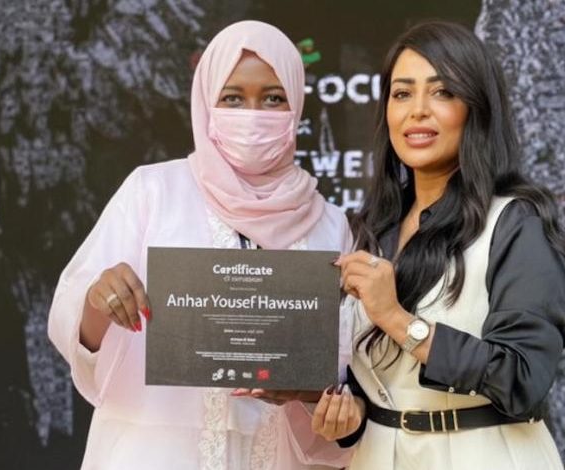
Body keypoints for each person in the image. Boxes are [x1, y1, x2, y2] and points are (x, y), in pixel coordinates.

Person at [48, 20, 354, 470]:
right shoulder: (154, 191)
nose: (252, 114)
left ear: (296, 105)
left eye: (273, 98)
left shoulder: (330, 225)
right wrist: (100, 300)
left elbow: (343, 371)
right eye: (233, 98)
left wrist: (309, 391)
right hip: (156, 451)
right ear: (207, 102)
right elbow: (78, 334)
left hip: (274, 453)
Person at [310, 21, 565, 469]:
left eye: (442, 92)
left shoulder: (517, 224)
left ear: (477, 108)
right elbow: (380, 381)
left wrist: (398, 319)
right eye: (402, 94)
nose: (417, 111)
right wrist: (350, 414)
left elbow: (523, 378)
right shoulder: (373, 227)